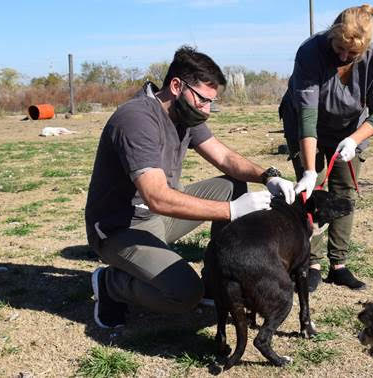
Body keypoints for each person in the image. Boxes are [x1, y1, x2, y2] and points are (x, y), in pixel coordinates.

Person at [85, 45, 296, 328]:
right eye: (203, 100)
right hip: (121, 228)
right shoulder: (136, 119)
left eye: (212, 102)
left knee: (234, 185)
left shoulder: (185, 115)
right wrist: (232, 210)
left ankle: (216, 280)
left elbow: (224, 157)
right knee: (184, 295)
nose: (207, 110)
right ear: (176, 86)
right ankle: (111, 284)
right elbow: (157, 196)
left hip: (159, 216)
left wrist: (268, 175)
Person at [279, 4, 373, 292]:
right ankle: (311, 262)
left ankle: (338, 265)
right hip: (305, 125)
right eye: (338, 48)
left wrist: (354, 139)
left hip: (349, 130)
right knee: (310, 190)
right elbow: (307, 116)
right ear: (331, 35)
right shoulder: (310, 53)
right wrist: (308, 170)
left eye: (351, 54)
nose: (342, 56)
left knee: (344, 192)